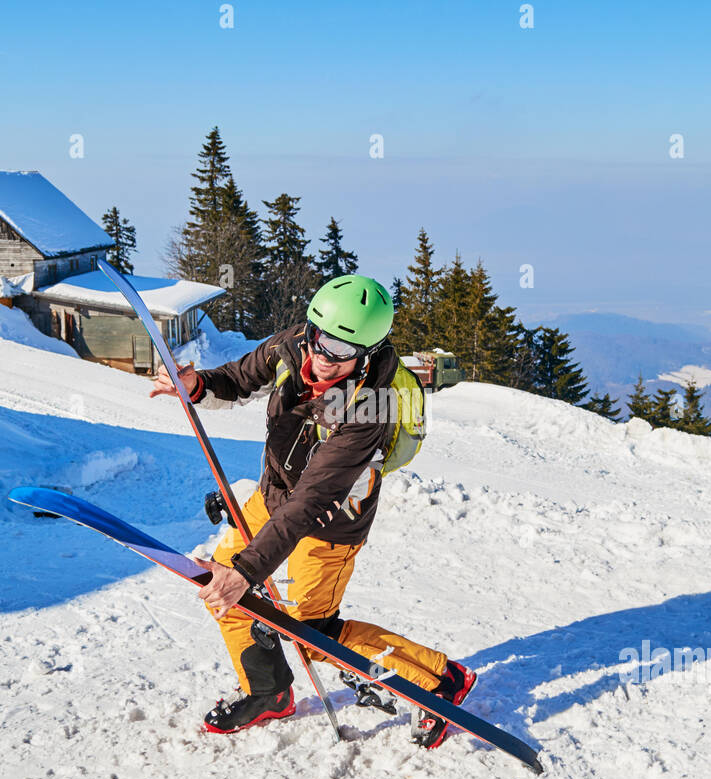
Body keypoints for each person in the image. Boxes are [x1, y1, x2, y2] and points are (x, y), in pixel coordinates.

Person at [150, 275, 475, 749]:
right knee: (221, 588)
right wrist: (197, 383)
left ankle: (441, 679)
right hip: (272, 497)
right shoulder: (294, 346)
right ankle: (268, 692)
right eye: (321, 338)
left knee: (310, 631)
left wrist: (249, 569)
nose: (324, 356)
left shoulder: (371, 409)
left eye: (343, 349)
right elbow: (239, 378)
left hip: (331, 523)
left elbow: (312, 500)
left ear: (367, 351)